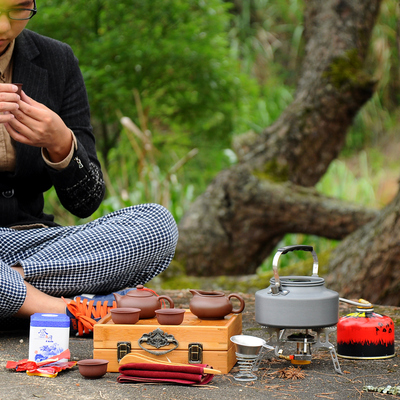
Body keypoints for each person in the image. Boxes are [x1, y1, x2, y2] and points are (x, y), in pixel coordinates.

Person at [0, 0, 179, 335]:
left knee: (157, 226)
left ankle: (11, 289)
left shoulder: (57, 59)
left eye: (18, 10)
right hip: (53, 276)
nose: (3, 27)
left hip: (40, 248)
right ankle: (67, 310)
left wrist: (60, 142)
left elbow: (86, 202)